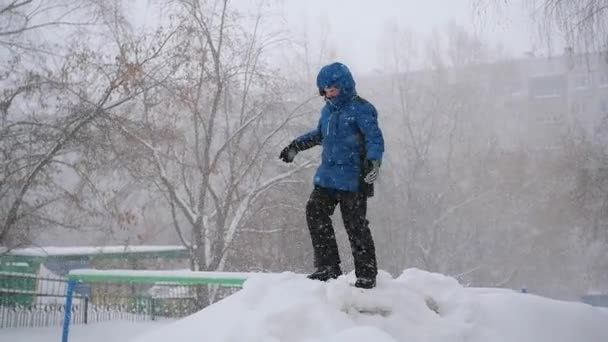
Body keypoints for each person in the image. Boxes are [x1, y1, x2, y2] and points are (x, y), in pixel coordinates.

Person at [279, 62, 384, 289]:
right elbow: (319, 135)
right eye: (325, 89)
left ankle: (366, 274)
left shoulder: (361, 109)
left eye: (333, 88)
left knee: (355, 225)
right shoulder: (327, 111)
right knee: (314, 211)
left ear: (344, 86)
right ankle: (328, 267)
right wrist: (296, 146)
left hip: (353, 179)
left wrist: (374, 161)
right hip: (328, 177)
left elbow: (375, 138)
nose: (329, 92)